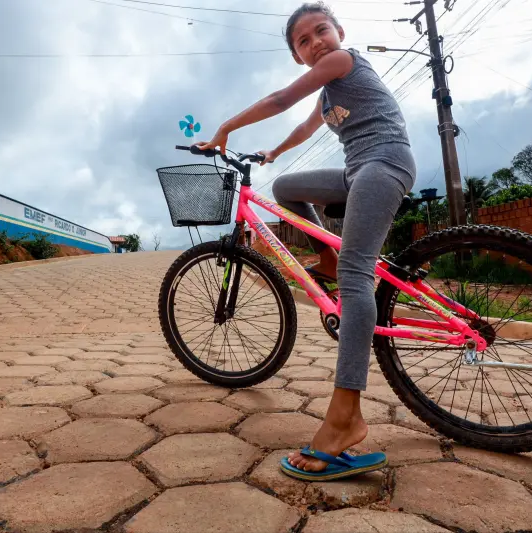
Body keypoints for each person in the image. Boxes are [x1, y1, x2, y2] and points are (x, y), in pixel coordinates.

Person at [196, 1, 415, 480]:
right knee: (285, 188)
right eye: (304, 40)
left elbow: (280, 101)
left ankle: (345, 418)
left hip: (385, 162)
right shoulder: (327, 94)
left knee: (359, 278)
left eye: (321, 31)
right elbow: (302, 125)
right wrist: (274, 150)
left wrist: (225, 129)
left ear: (339, 32)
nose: (315, 42)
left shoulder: (343, 60)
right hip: (356, 171)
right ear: (298, 54)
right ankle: (327, 259)